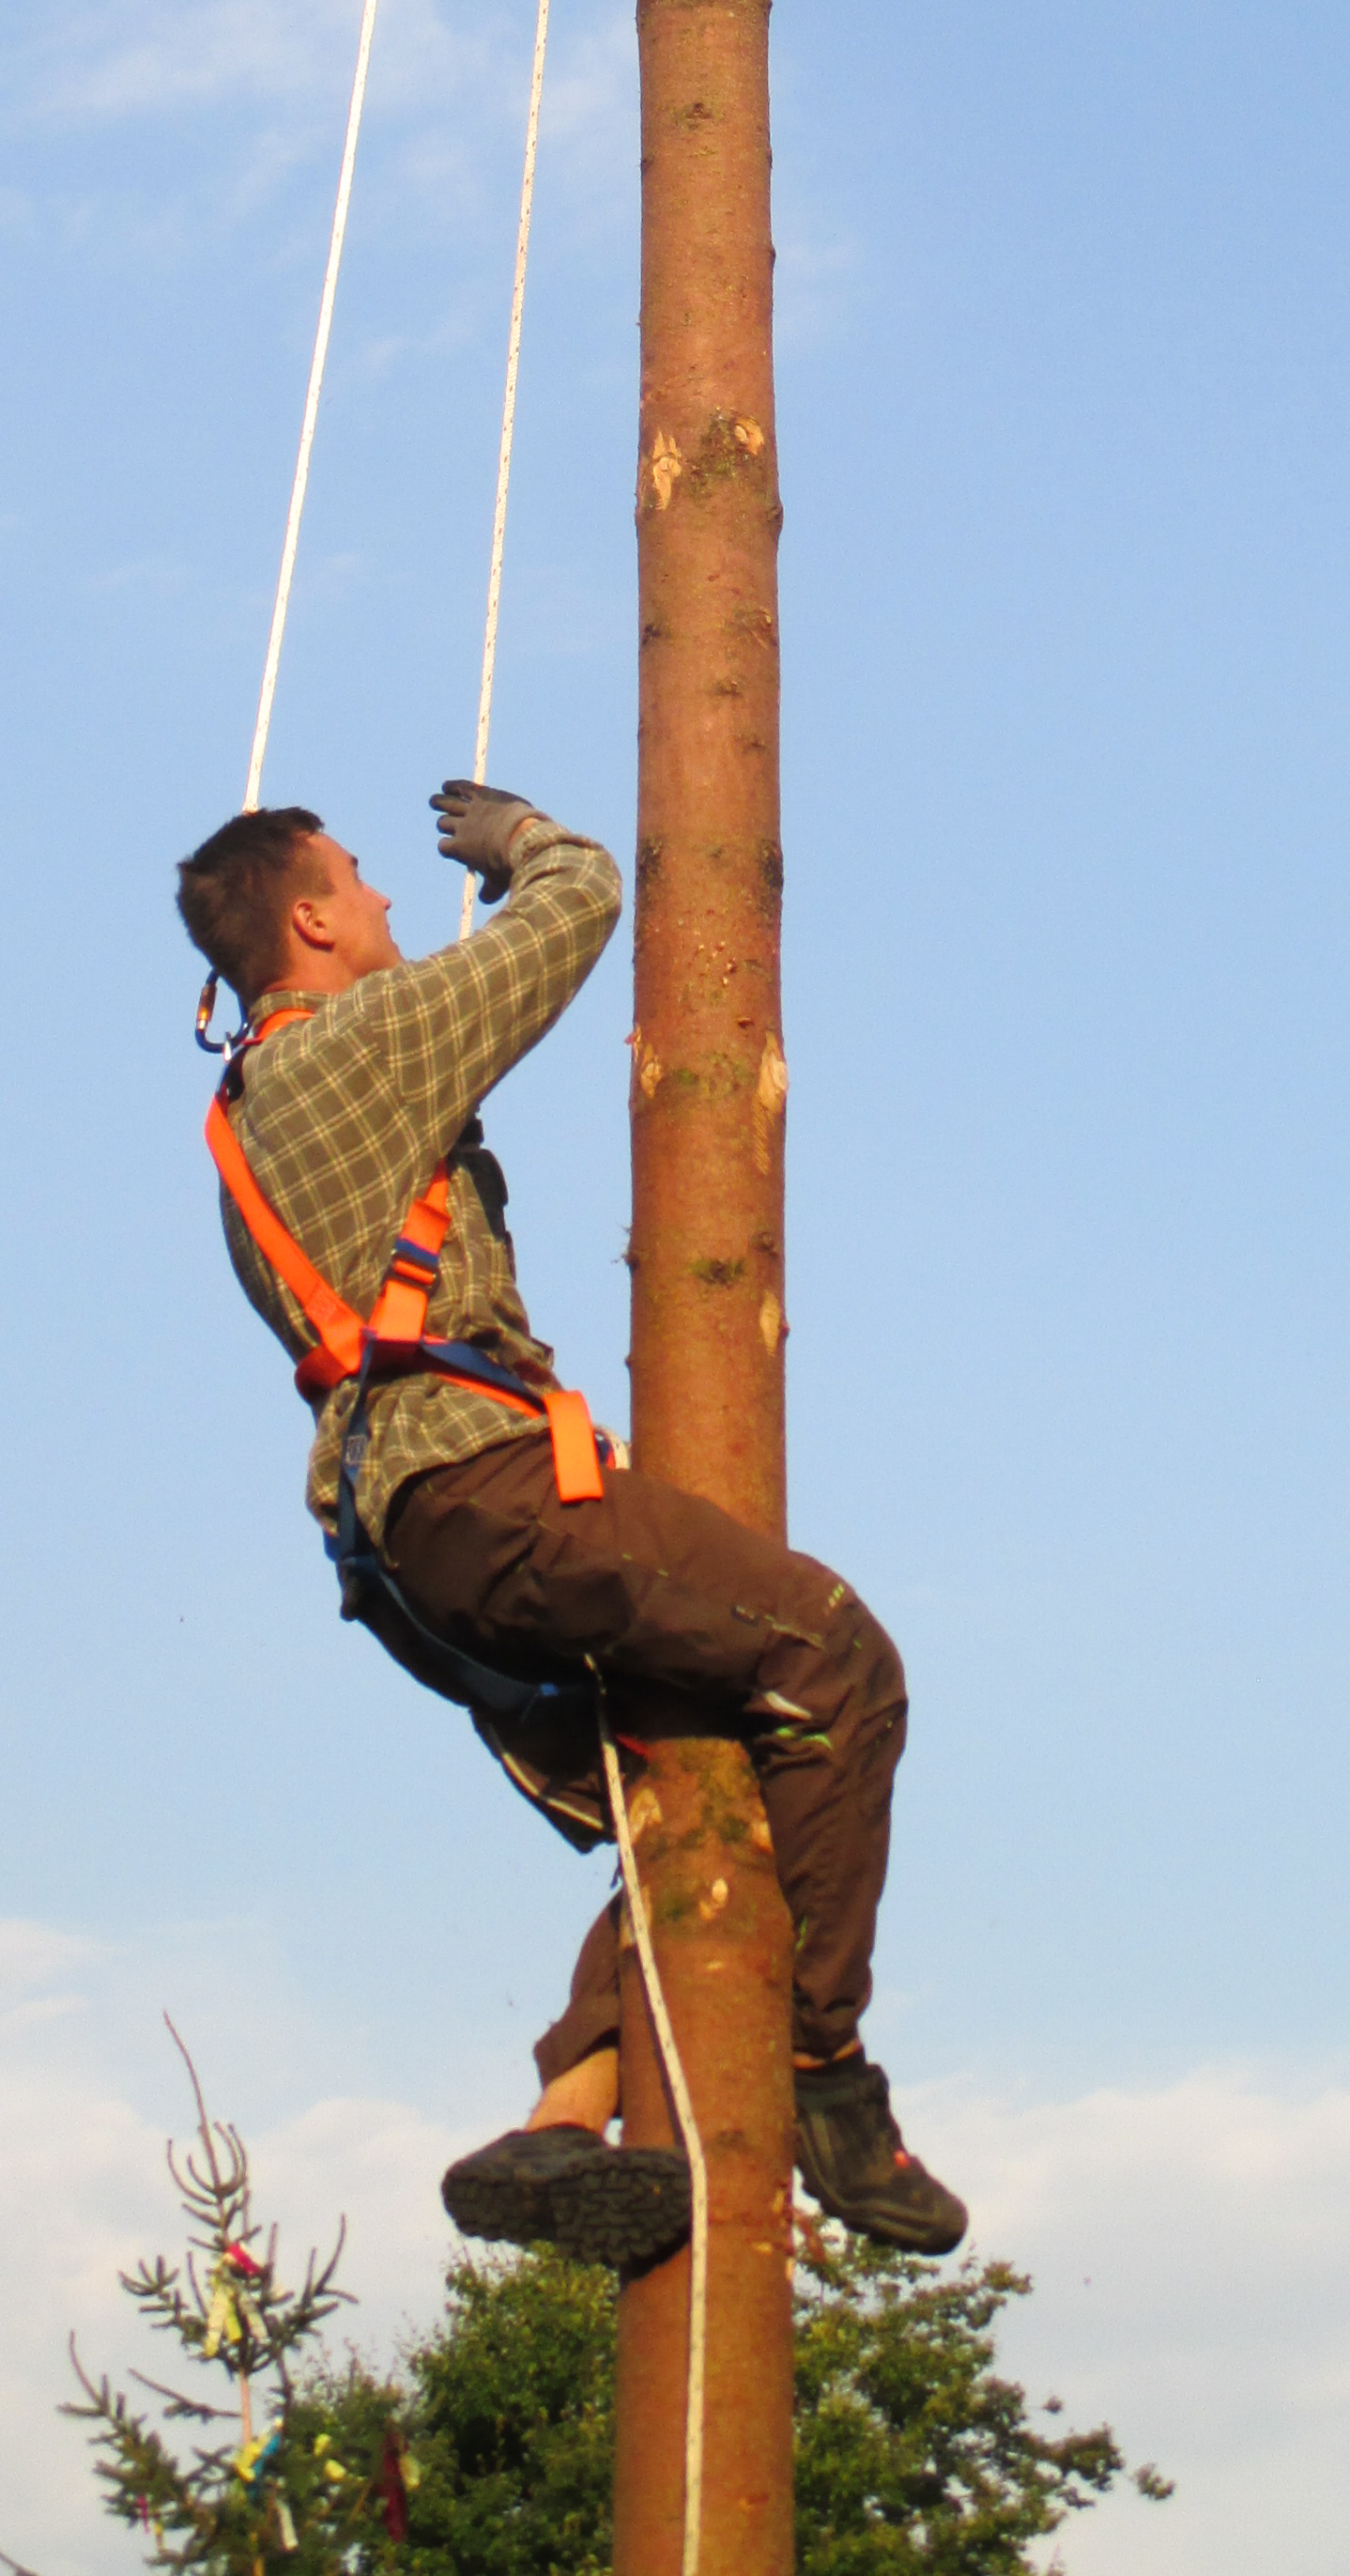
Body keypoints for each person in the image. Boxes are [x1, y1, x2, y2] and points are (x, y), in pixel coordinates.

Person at [176, 774, 967, 2275]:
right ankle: (827, 2077)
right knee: (841, 1660)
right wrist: (525, 837)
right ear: (313, 919)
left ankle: (570, 2103)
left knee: (695, 1765)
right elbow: (585, 897)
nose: (399, 902)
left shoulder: (254, 1105)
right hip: (483, 1492)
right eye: (369, 879)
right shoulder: (349, 1046)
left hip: (407, 1546)